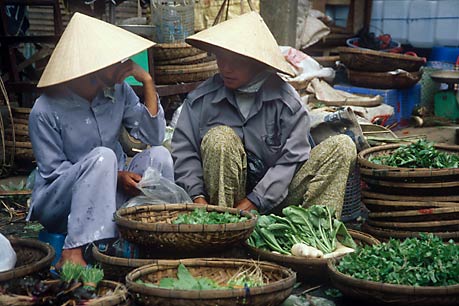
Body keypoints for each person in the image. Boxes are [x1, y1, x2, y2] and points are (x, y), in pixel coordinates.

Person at [171, 12, 356, 217]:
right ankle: (224, 230)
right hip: (218, 205)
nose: (226, 68)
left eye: (236, 62)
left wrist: (255, 200)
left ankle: (309, 233)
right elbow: (185, 152)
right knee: (219, 138)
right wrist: (197, 198)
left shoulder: (286, 103)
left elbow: (291, 160)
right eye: (221, 59)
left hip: (278, 199)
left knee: (342, 146)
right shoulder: (201, 99)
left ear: (256, 61)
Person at [27, 12, 173, 268]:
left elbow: (153, 136)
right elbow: (53, 173)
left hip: (109, 196)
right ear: (90, 66)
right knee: (103, 156)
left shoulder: (118, 91)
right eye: (114, 60)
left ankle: (159, 235)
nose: (123, 63)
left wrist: (148, 82)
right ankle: (72, 253)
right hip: (60, 205)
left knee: (160, 155)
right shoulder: (45, 109)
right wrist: (114, 175)